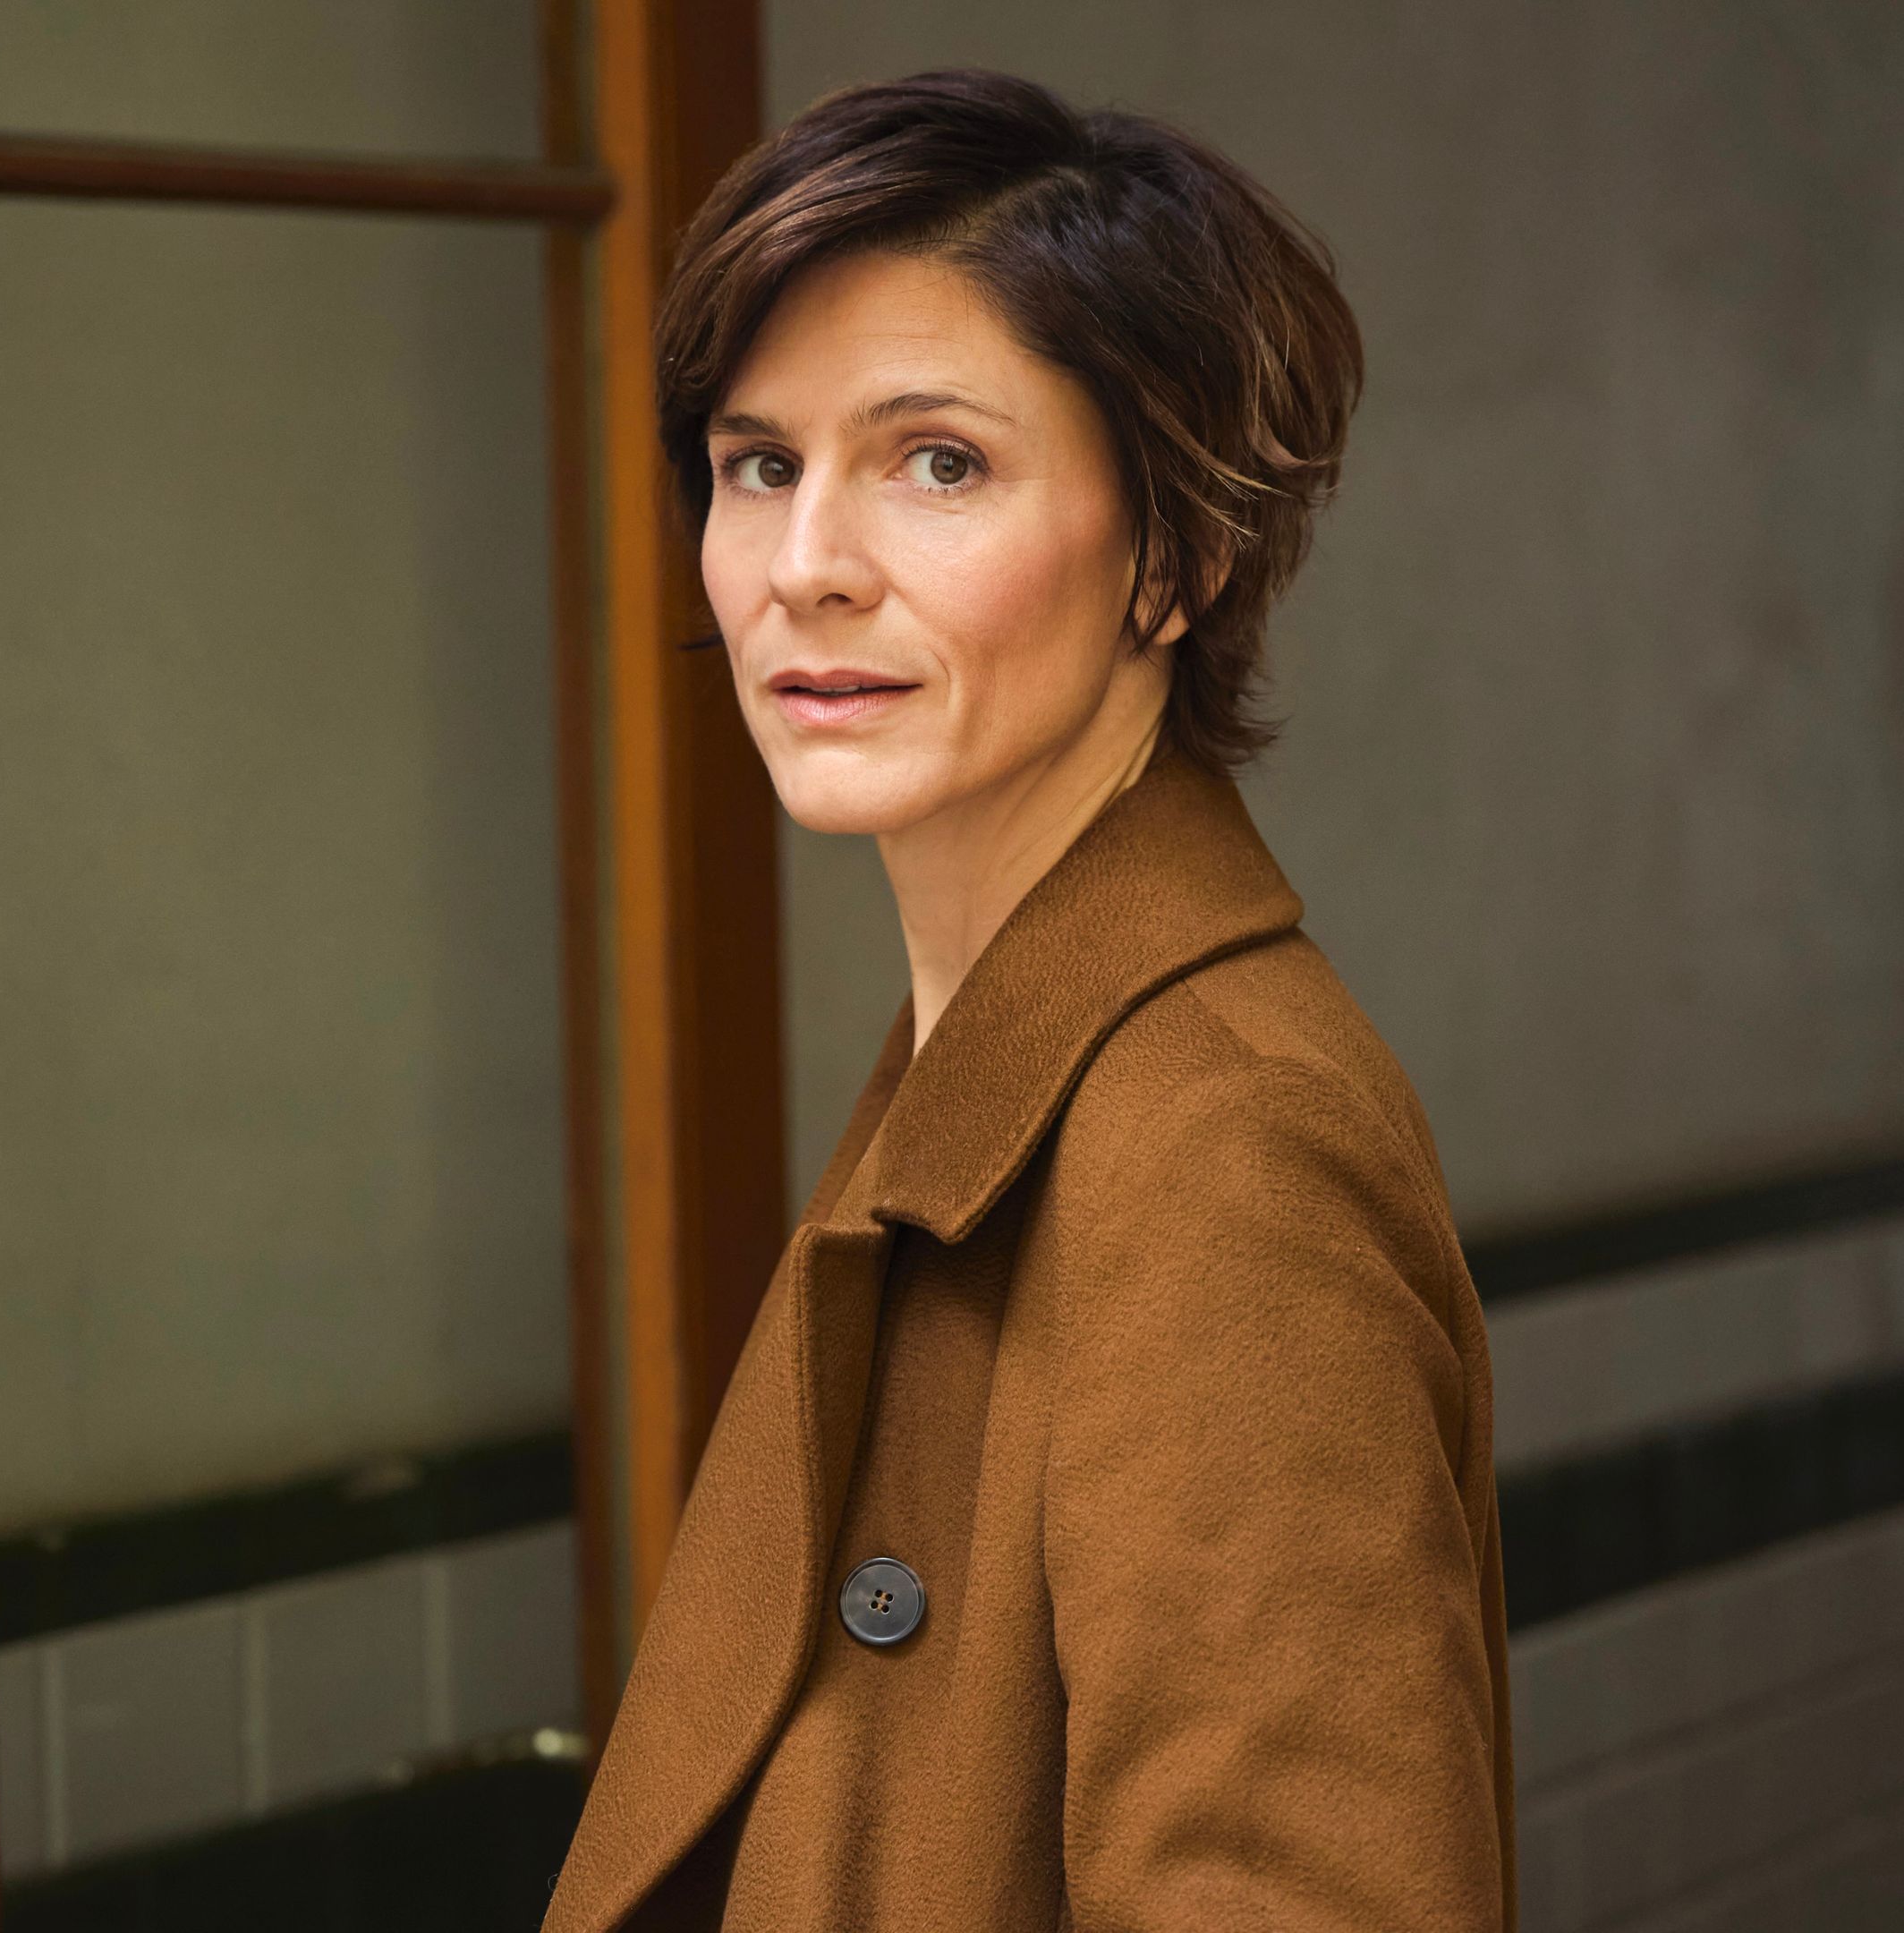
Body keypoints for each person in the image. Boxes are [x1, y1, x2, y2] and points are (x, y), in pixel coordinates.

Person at [542, 69, 1512, 1932]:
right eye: (760, 465)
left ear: (1180, 551)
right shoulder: (997, 1058)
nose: (807, 569)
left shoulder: (1219, 1144)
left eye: (939, 464)